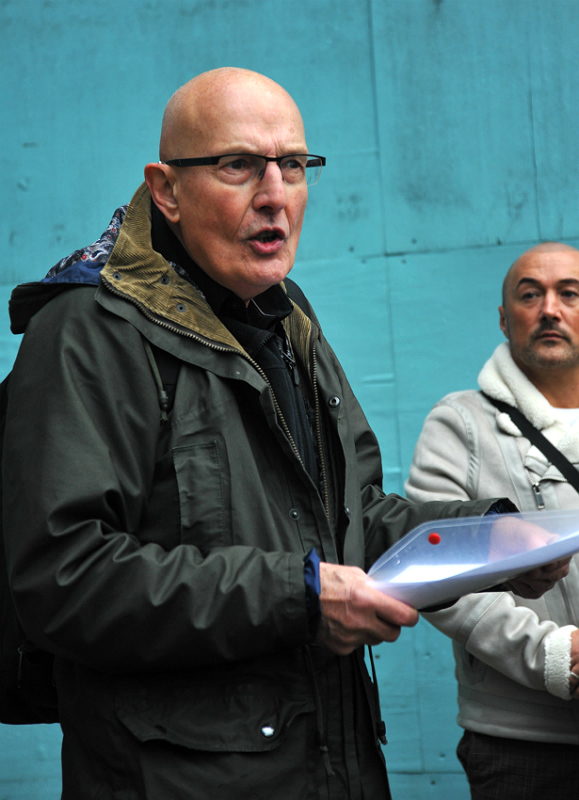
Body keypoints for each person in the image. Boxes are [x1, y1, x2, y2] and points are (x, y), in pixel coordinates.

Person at [2, 69, 565, 800]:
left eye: (293, 166)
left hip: (330, 765)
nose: (274, 195)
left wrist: (491, 542)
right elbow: (62, 577)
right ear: (165, 189)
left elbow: (349, 523)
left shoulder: (284, 317)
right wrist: (296, 597)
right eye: (237, 165)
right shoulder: (85, 332)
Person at [405, 241, 579, 800]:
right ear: (505, 319)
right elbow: (437, 566)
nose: (550, 308)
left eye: (569, 294)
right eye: (530, 295)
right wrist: (553, 656)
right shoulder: (460, 424)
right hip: (522, 744)